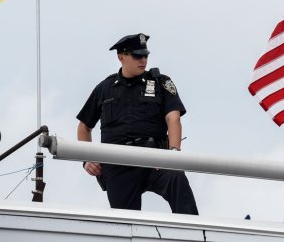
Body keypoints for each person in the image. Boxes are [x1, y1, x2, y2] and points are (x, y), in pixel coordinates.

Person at [76, 33, 198, 215]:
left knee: (176, 178)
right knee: (126, 223)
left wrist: (173, 155)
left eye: (145, 55)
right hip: (117, 164)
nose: (143, 60)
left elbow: (173, 118)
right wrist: (87, 159)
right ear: (121, 57)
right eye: (137, 56)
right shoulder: (105, 88)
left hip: (154, 159)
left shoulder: (159, 82)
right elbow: (84, 127)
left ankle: (194, 234)